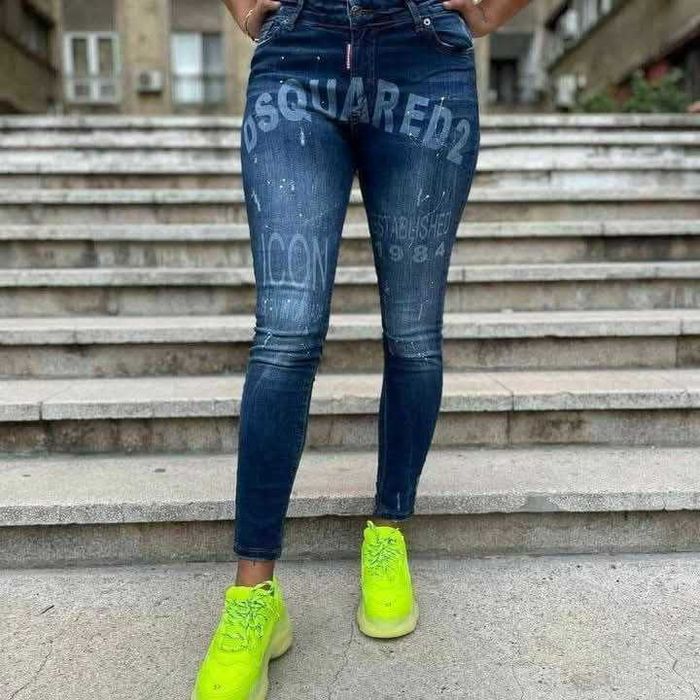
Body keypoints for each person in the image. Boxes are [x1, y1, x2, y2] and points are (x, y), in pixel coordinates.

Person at [192, 0, 529, 697]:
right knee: (285, 333)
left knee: (413, 333)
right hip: (296, 55)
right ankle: (254, 595)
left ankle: (388, 529)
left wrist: (493, 9)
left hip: (424, 55)